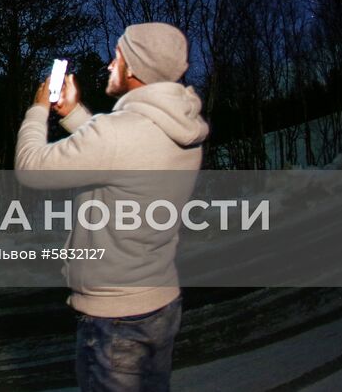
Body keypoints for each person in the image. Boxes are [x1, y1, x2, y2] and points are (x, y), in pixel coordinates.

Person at [15, 22, 209, 392]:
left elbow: (31, 167)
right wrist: (73, 113)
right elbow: (124, 152)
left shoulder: (120, 133)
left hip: (116, 319)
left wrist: (38, 110)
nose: (109, 64)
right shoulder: (183, 127)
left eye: (118, 56)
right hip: (161, 302)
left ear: (134, 68)